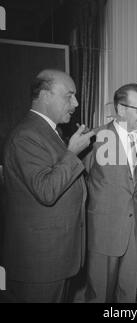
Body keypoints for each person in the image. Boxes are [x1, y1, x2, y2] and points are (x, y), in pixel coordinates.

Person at [2, 69, 94, 302]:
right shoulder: (26, 135)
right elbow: (46, 190)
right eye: (69, 95)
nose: (75, 103)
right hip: (39, 262)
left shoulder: (49, 132)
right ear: (44, 95)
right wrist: (73, 153)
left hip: (55, 257)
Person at [85, 83, 137, 303]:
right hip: (104, 231)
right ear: (121, 110)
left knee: (128, 295)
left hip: (136, 231)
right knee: (100, 295)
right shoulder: (94, 139)